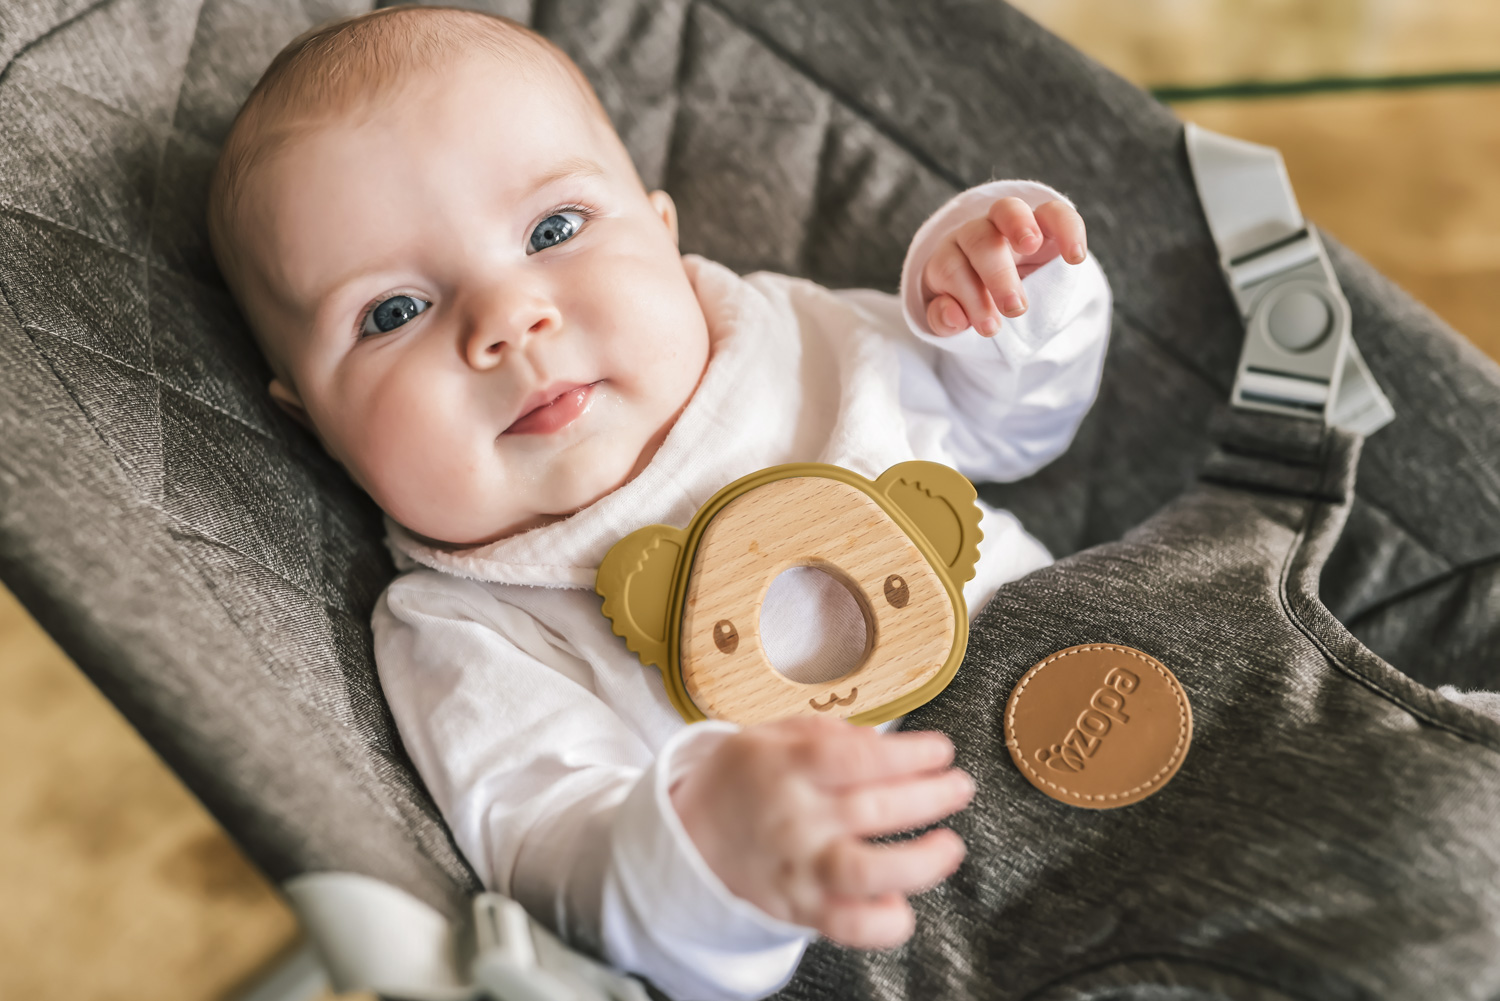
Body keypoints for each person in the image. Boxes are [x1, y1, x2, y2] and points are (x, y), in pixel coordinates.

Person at [205, 6, 1112, 998]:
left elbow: (1017, 431)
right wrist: (700, 853)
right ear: (311, 421)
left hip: (1109, 683)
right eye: (392, 312)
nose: (508, 319)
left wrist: (1010, 304)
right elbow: (558, 854)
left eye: (554, 229)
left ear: (664, 233)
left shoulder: (797, 344)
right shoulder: (467, 630)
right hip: (925, 941)